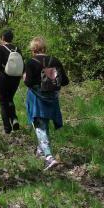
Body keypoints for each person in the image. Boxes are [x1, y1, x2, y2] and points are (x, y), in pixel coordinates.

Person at [24, 36, 69, 171]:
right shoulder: (55, 61)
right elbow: (65, 81)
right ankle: (40, 150)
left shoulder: (31, 62)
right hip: (52, 99)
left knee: (40, 126)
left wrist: (25, 77)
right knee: (45, 124)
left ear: (33, 49)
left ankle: (49, 157)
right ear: (45, 48)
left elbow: (28, 82)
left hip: (37, 99)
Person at [0, 29, 23, 134]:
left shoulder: (0, 48)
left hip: (3, 78)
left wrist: (4, 68)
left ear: (2, 38)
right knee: (10, 99)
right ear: (12, 38)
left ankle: (7, 128)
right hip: (15, 79)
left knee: (3, 102)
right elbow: (21, 64)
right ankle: (14, 119)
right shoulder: (17, 49)